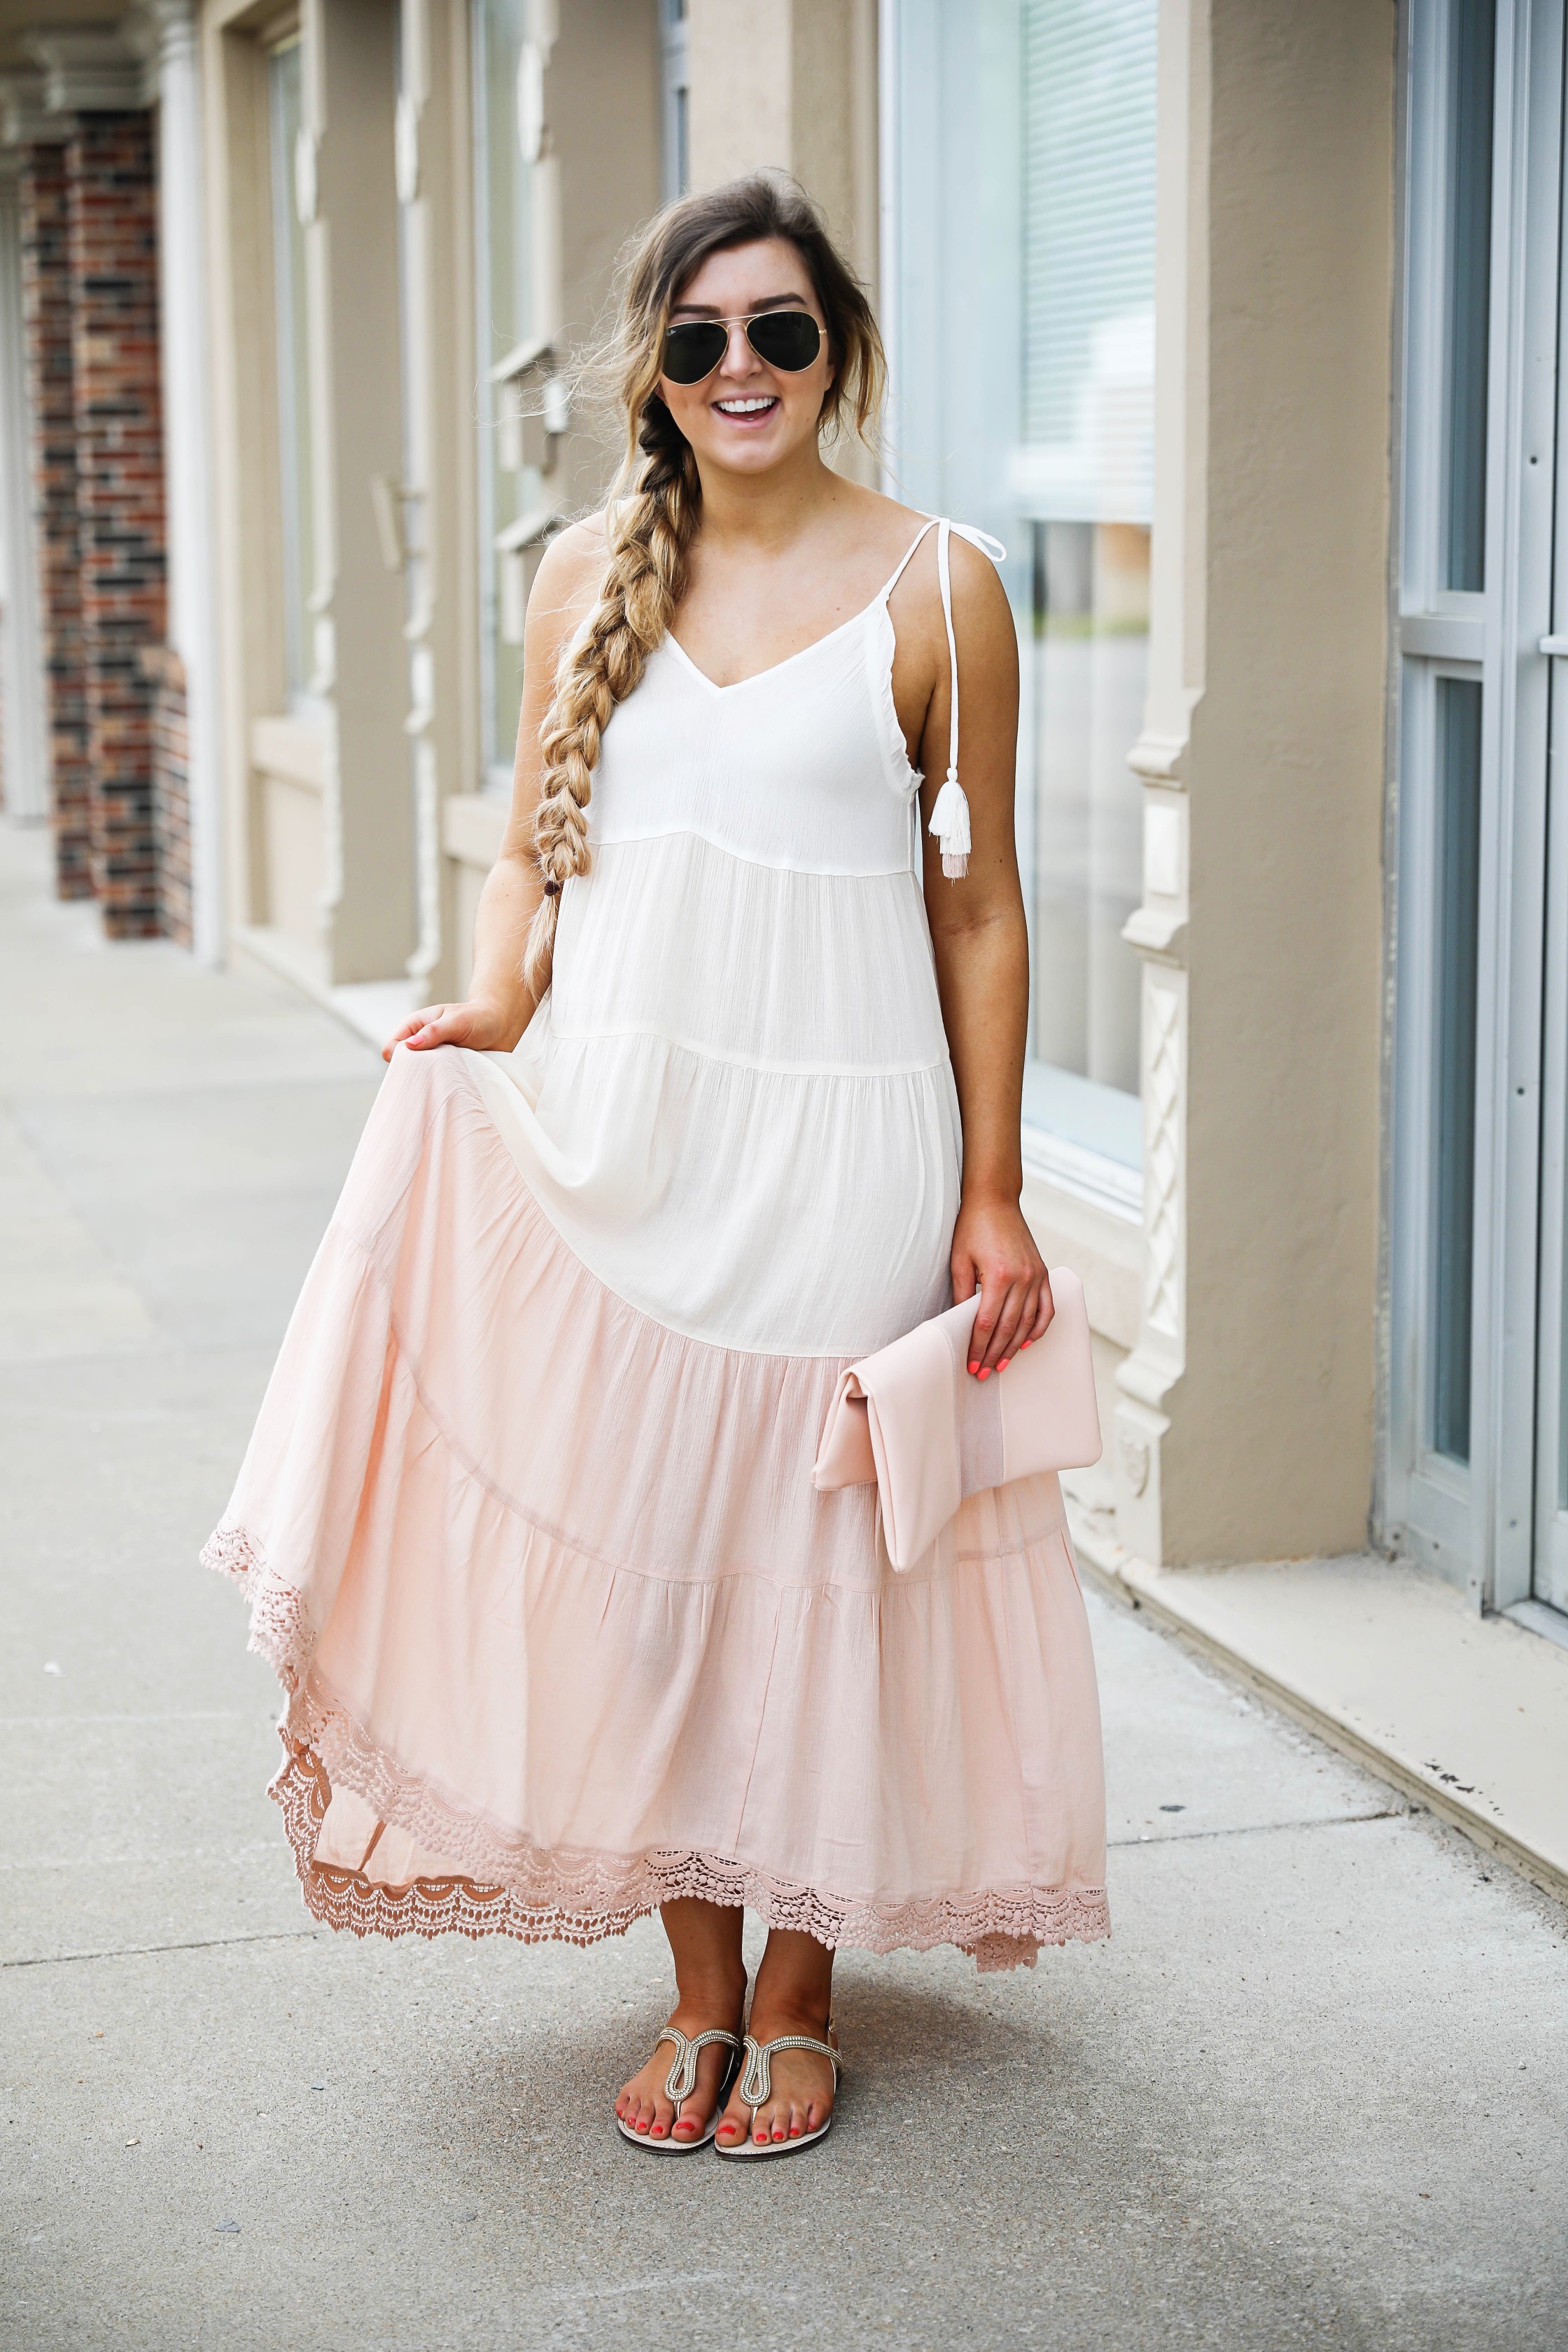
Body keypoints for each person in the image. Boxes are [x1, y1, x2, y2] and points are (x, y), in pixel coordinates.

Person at [204, 172, 1107, 2163]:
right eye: (699, 340)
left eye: (778, 331)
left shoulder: (941, 586)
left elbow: (984, 911)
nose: (740, 369)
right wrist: (491, 1013)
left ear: (837, 352)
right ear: (658, 368)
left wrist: (997, 1185)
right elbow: (539, 840)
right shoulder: (581, 573)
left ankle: (800, 1994)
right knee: (646, 1596)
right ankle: (693, 1989)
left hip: (846, 1147)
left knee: (813, 1584)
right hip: (628, 1137)